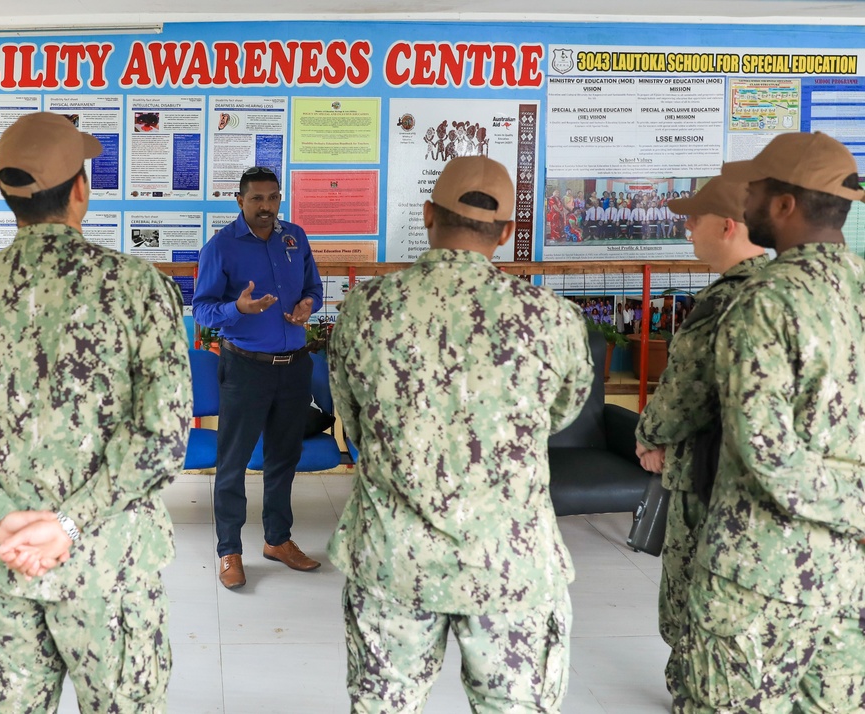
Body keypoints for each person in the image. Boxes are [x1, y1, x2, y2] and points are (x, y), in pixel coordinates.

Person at [0, 112, 190, 711]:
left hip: (7, 569)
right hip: (109, 571)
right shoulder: (137, 288)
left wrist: (3, 518)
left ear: (8, 197)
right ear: (80, 191)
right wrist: (70, 524)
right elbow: (163, 436)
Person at [328, 155, 593, 712]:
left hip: (394, 563)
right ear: (507, 233)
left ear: (427, 214)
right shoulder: (551, 315)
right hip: (510, 568)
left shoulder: (365, 308)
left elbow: (353, 421)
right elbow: (560, 414)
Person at [677, 131, 865, 712]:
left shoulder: (765, 299)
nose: (746, 199)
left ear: (785, 205)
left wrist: (850, 502)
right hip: (848, 574)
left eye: (755, 189)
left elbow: (765, 449)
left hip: (760, 573)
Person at [633, 176, 769, 702]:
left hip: (706, 475)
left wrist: (649, 437)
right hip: (754, 482)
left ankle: (697, 692)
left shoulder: (726, 300)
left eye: (696, 219)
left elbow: (685, 393)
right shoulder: (780, 289)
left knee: (691, 601)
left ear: (728, 225)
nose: (687, 229)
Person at [193, 166, 324, 590]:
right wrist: (237, 310)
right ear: (240, 201)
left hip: (294, 366)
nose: (266, 206)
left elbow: (315, 289)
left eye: (273, 197)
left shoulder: (294, 238)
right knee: (231, 465)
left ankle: (277, 540)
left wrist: (307, 305)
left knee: (283, 460)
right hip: (245, 367)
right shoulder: (221, 246)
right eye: (257, 199)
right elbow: (203, 309)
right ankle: (229, 550)